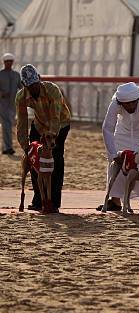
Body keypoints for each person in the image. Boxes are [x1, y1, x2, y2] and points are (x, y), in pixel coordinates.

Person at [16, 64, 71, 212]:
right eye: (30, 86)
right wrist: (25, 145)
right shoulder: (21, 97)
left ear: (39, 79)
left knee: (55, 161)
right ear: (24, 85)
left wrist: (50, 142)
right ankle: (39, 200)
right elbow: (21, 122)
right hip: (39, 125)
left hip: (60, 125)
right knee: (35, 160)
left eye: (35, 84)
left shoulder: (52, 90)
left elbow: (55, 117)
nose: (34, 88)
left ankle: (53, 202)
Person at [99, 82, 139, 212]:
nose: (130, 106)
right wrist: (113, 154)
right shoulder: (115, 103)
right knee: (115, 165)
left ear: (138, 99)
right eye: (126, 104)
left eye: (133, 103)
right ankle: (115, 201)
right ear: (120, 103)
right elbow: (107, 129)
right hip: (123, 133)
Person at [0, 53, 21, 155]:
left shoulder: (16, 75)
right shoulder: (0, 74)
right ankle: (8, 148)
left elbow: (21, 87)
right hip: (2, 104)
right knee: (7, 125)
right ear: (3, 62)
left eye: (10, 61)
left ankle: (5, 147)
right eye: (6, 61)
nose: (8, 63)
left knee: (9, 125)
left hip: (13, 105)